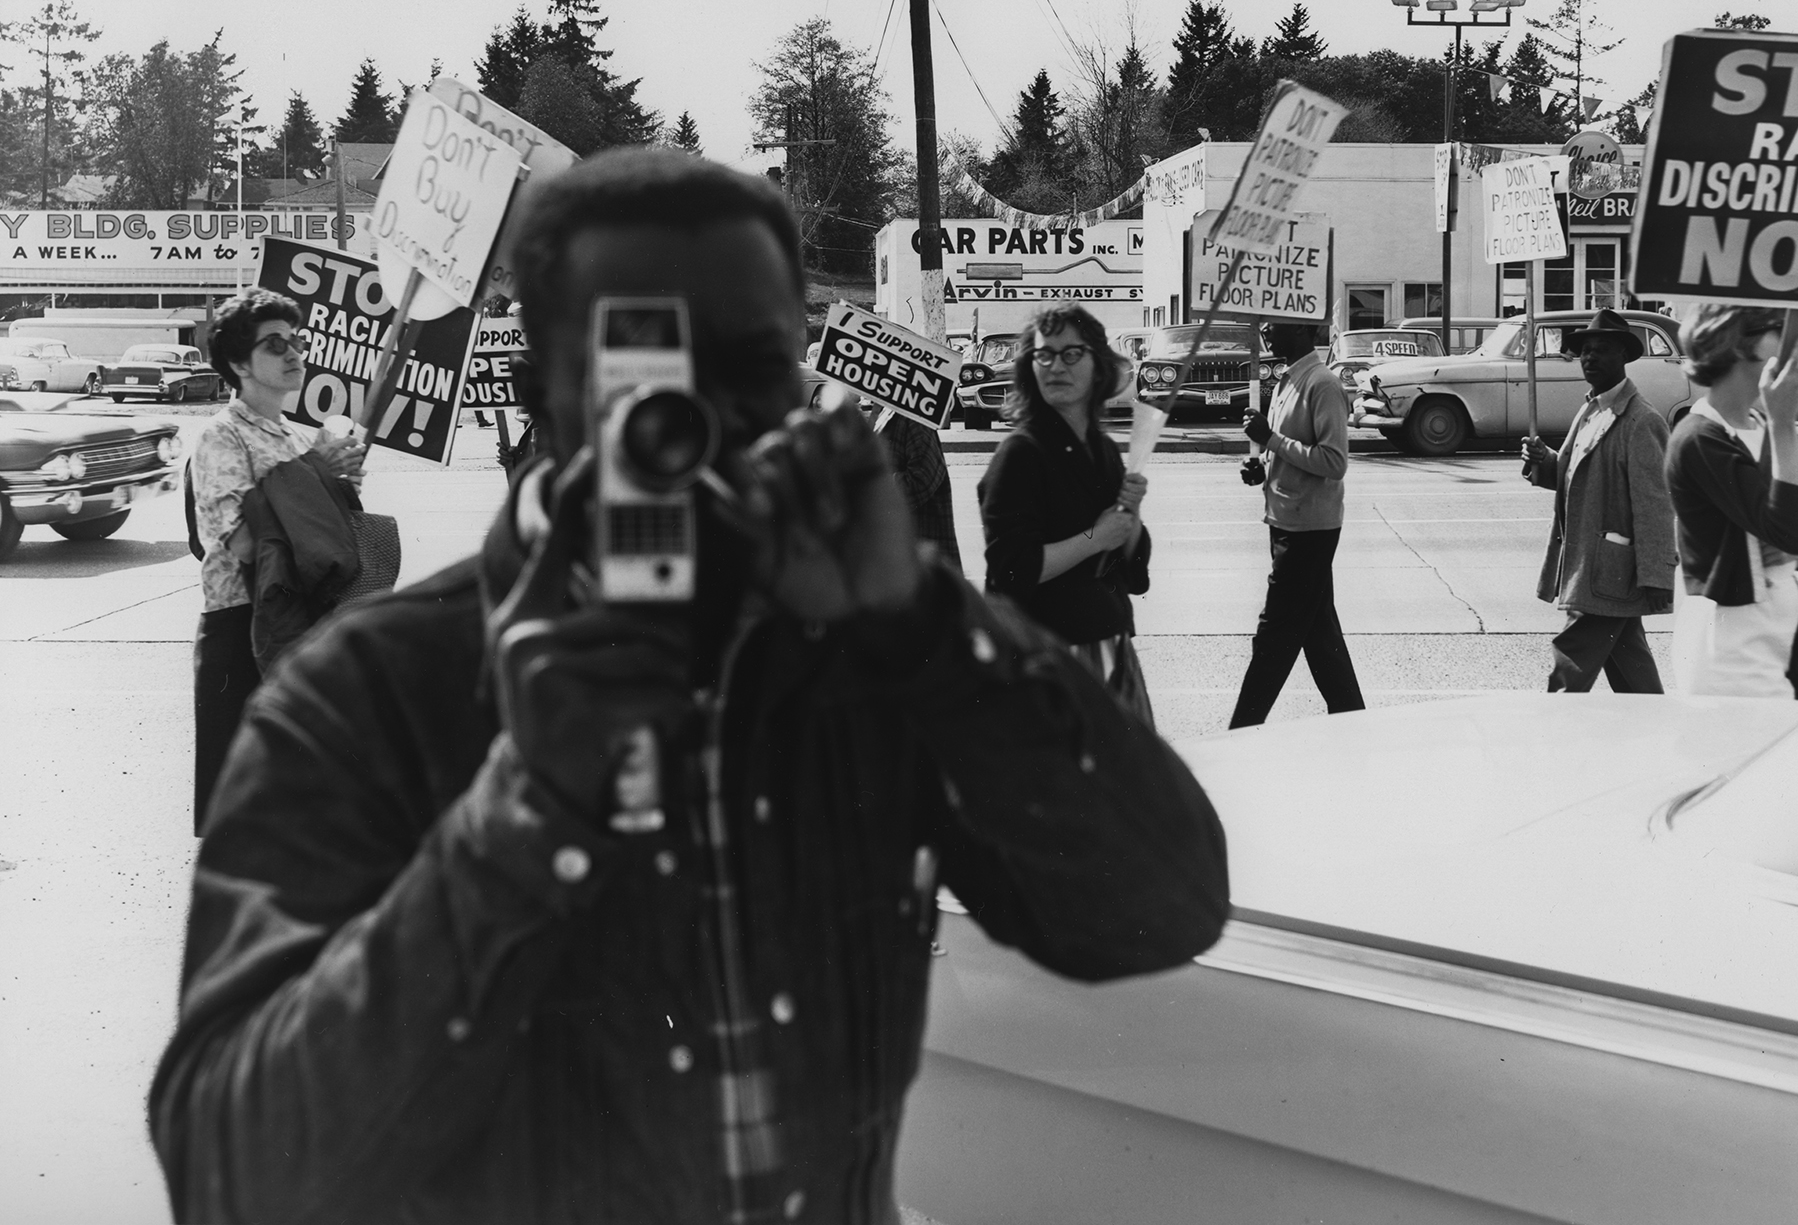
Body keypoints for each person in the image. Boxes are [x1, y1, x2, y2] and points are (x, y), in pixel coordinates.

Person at [151, 150, 1228, 1225]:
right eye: (646, 367)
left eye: (750, 368)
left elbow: (1158, 910)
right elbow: (229, 1168)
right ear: (544, 396)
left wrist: (925, 623)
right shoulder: (376, 686)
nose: (700, 418)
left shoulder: (874, 655)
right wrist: (520, 822)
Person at [186, 288, 364, 832]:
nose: (294, 353)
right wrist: (312, 475)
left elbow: (319, 539)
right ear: (239, 363)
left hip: (302, 623)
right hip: (242, 629)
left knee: (303, 806)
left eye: (298, 340)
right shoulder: (221, 436)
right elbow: (241, 544)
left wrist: (339, 486)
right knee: (244, 817)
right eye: (275, 344)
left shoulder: (295, 436)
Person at [977, 304, 1156, 727]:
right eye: (1044, 355)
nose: (1056, 366)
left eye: (1071, 354)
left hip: (1111, 644)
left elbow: (1128, 568)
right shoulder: (1021, 454)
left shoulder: (1105, 449)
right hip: (1052, 658)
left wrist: (1129, 514)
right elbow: (1012, 572)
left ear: (1097, 366)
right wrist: (1097, 536)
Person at [1664, 304, 1798, 697]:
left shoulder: (1759, 424)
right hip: (1729, 648)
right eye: (1779, 329)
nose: (1794, 340)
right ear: (1737, 343)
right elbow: (1793, 536)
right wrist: (1786, 423)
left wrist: (1779, 422)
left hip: (1775, 635)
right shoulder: (1700, 437)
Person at [1520, 309, 1677, 693]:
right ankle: (1655, 733)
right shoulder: (1591, 407)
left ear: (1623, 357)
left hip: (1608, 571)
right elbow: (1577, 477)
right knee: (1631, 664)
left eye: (1602, 350)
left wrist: (1657, 575)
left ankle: (1552, 740)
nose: (1590, 358)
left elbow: (1655, 506)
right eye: (1586, 350)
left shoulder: (1642, 421)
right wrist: (1546, 462)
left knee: (1571, 659)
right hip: (1594, 567)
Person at [1228, 319, 1366, 728]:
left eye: (1276, 324)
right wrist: (1262, 467)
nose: (1266, 329)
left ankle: (1241, 730)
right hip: (1287, 519)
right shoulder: (1288, 379)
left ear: (1305, 330)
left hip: (1309, 530)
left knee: (1274, 635)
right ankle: (1353, 723)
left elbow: (1333, 461)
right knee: (1319, 633)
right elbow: (1289, 451)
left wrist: (1270, 440)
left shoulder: (1321, 384)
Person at [880, 411, 961, 569]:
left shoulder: (914, 421)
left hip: (926, 564)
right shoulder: (884, 415)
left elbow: (920, 481)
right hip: (900, 560)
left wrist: (872, 486)